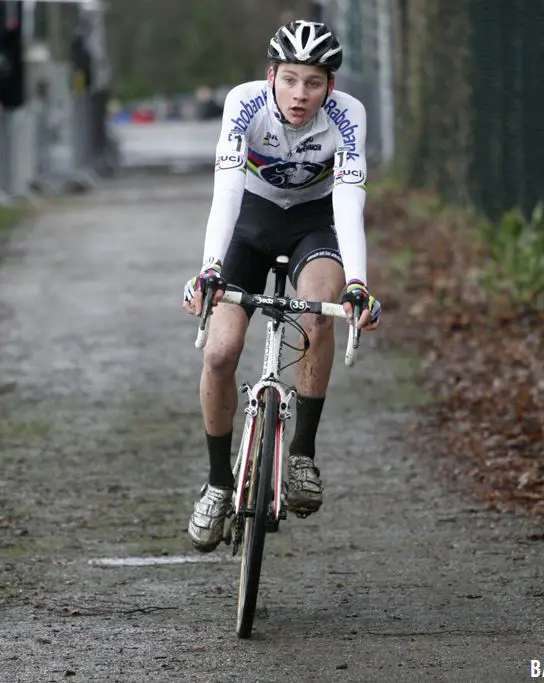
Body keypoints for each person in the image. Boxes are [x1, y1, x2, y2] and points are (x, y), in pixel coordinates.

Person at [181, 19, 382, 552]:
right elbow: (225, 190)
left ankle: (302, 456)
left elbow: (348, 202)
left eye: (313, 82)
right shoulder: (244, 103)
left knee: (319, 311)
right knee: (221, 353)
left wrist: (358, 284)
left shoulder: (347, 116)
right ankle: (219, 484)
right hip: (251, 219)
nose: (300, 94)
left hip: (313, 222)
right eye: (290, 79)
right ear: (271, 75)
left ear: (329, 87)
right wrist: (208, 268)